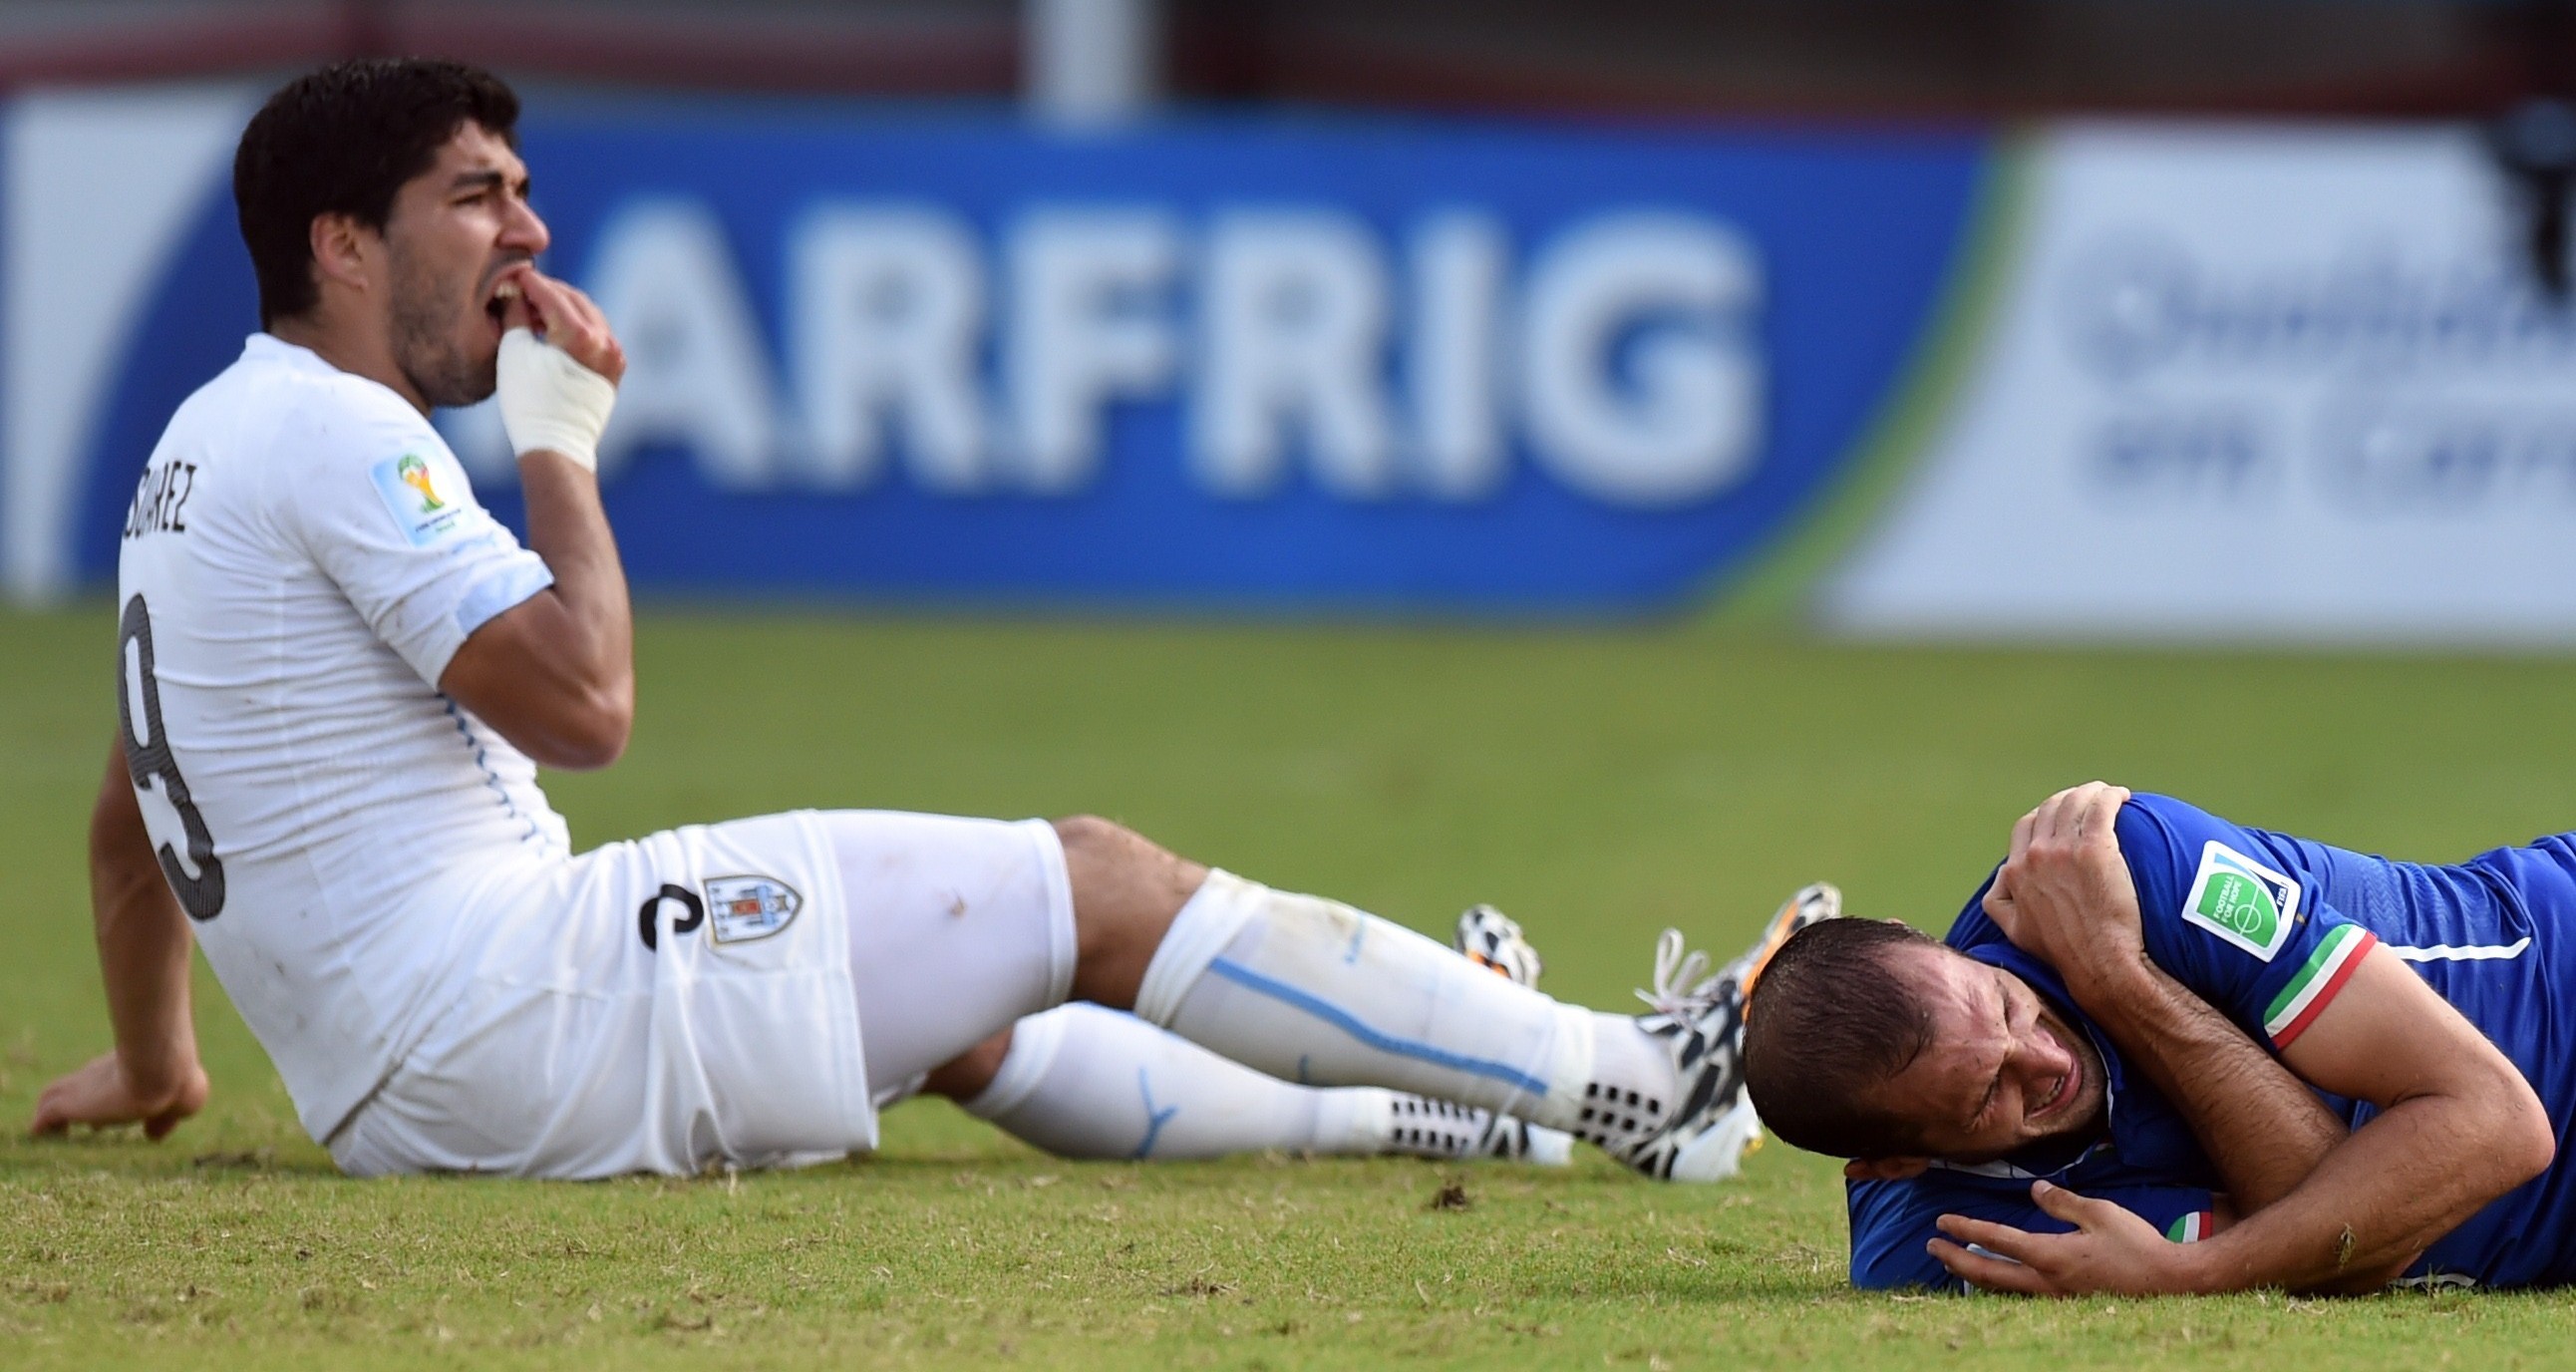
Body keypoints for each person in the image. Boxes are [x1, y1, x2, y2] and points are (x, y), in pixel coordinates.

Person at [32, 57, 1800, 1185]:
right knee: (1097, 882)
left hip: (415, 1078)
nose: (530, 225)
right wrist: (561, 450)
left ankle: (1453, 1109)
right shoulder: (344, 439)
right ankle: (1628, 1081)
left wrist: (162, 1060)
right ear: (341, 243)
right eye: (476, 192)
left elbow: (135, 813)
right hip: (515, 1021)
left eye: (521, 184)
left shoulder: (200, 451)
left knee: (957, 1010)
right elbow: (585, 705)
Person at [1743, 782, 2571, 1295]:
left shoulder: (2124, 865)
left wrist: (2122, 982)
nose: (2044, 1060)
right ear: (1896, 1162)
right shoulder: (1942, 1243)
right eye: (1989, 1093)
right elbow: (2338, 1227)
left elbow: (2500, 1123)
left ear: (1921, 938)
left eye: (2002, 1005)